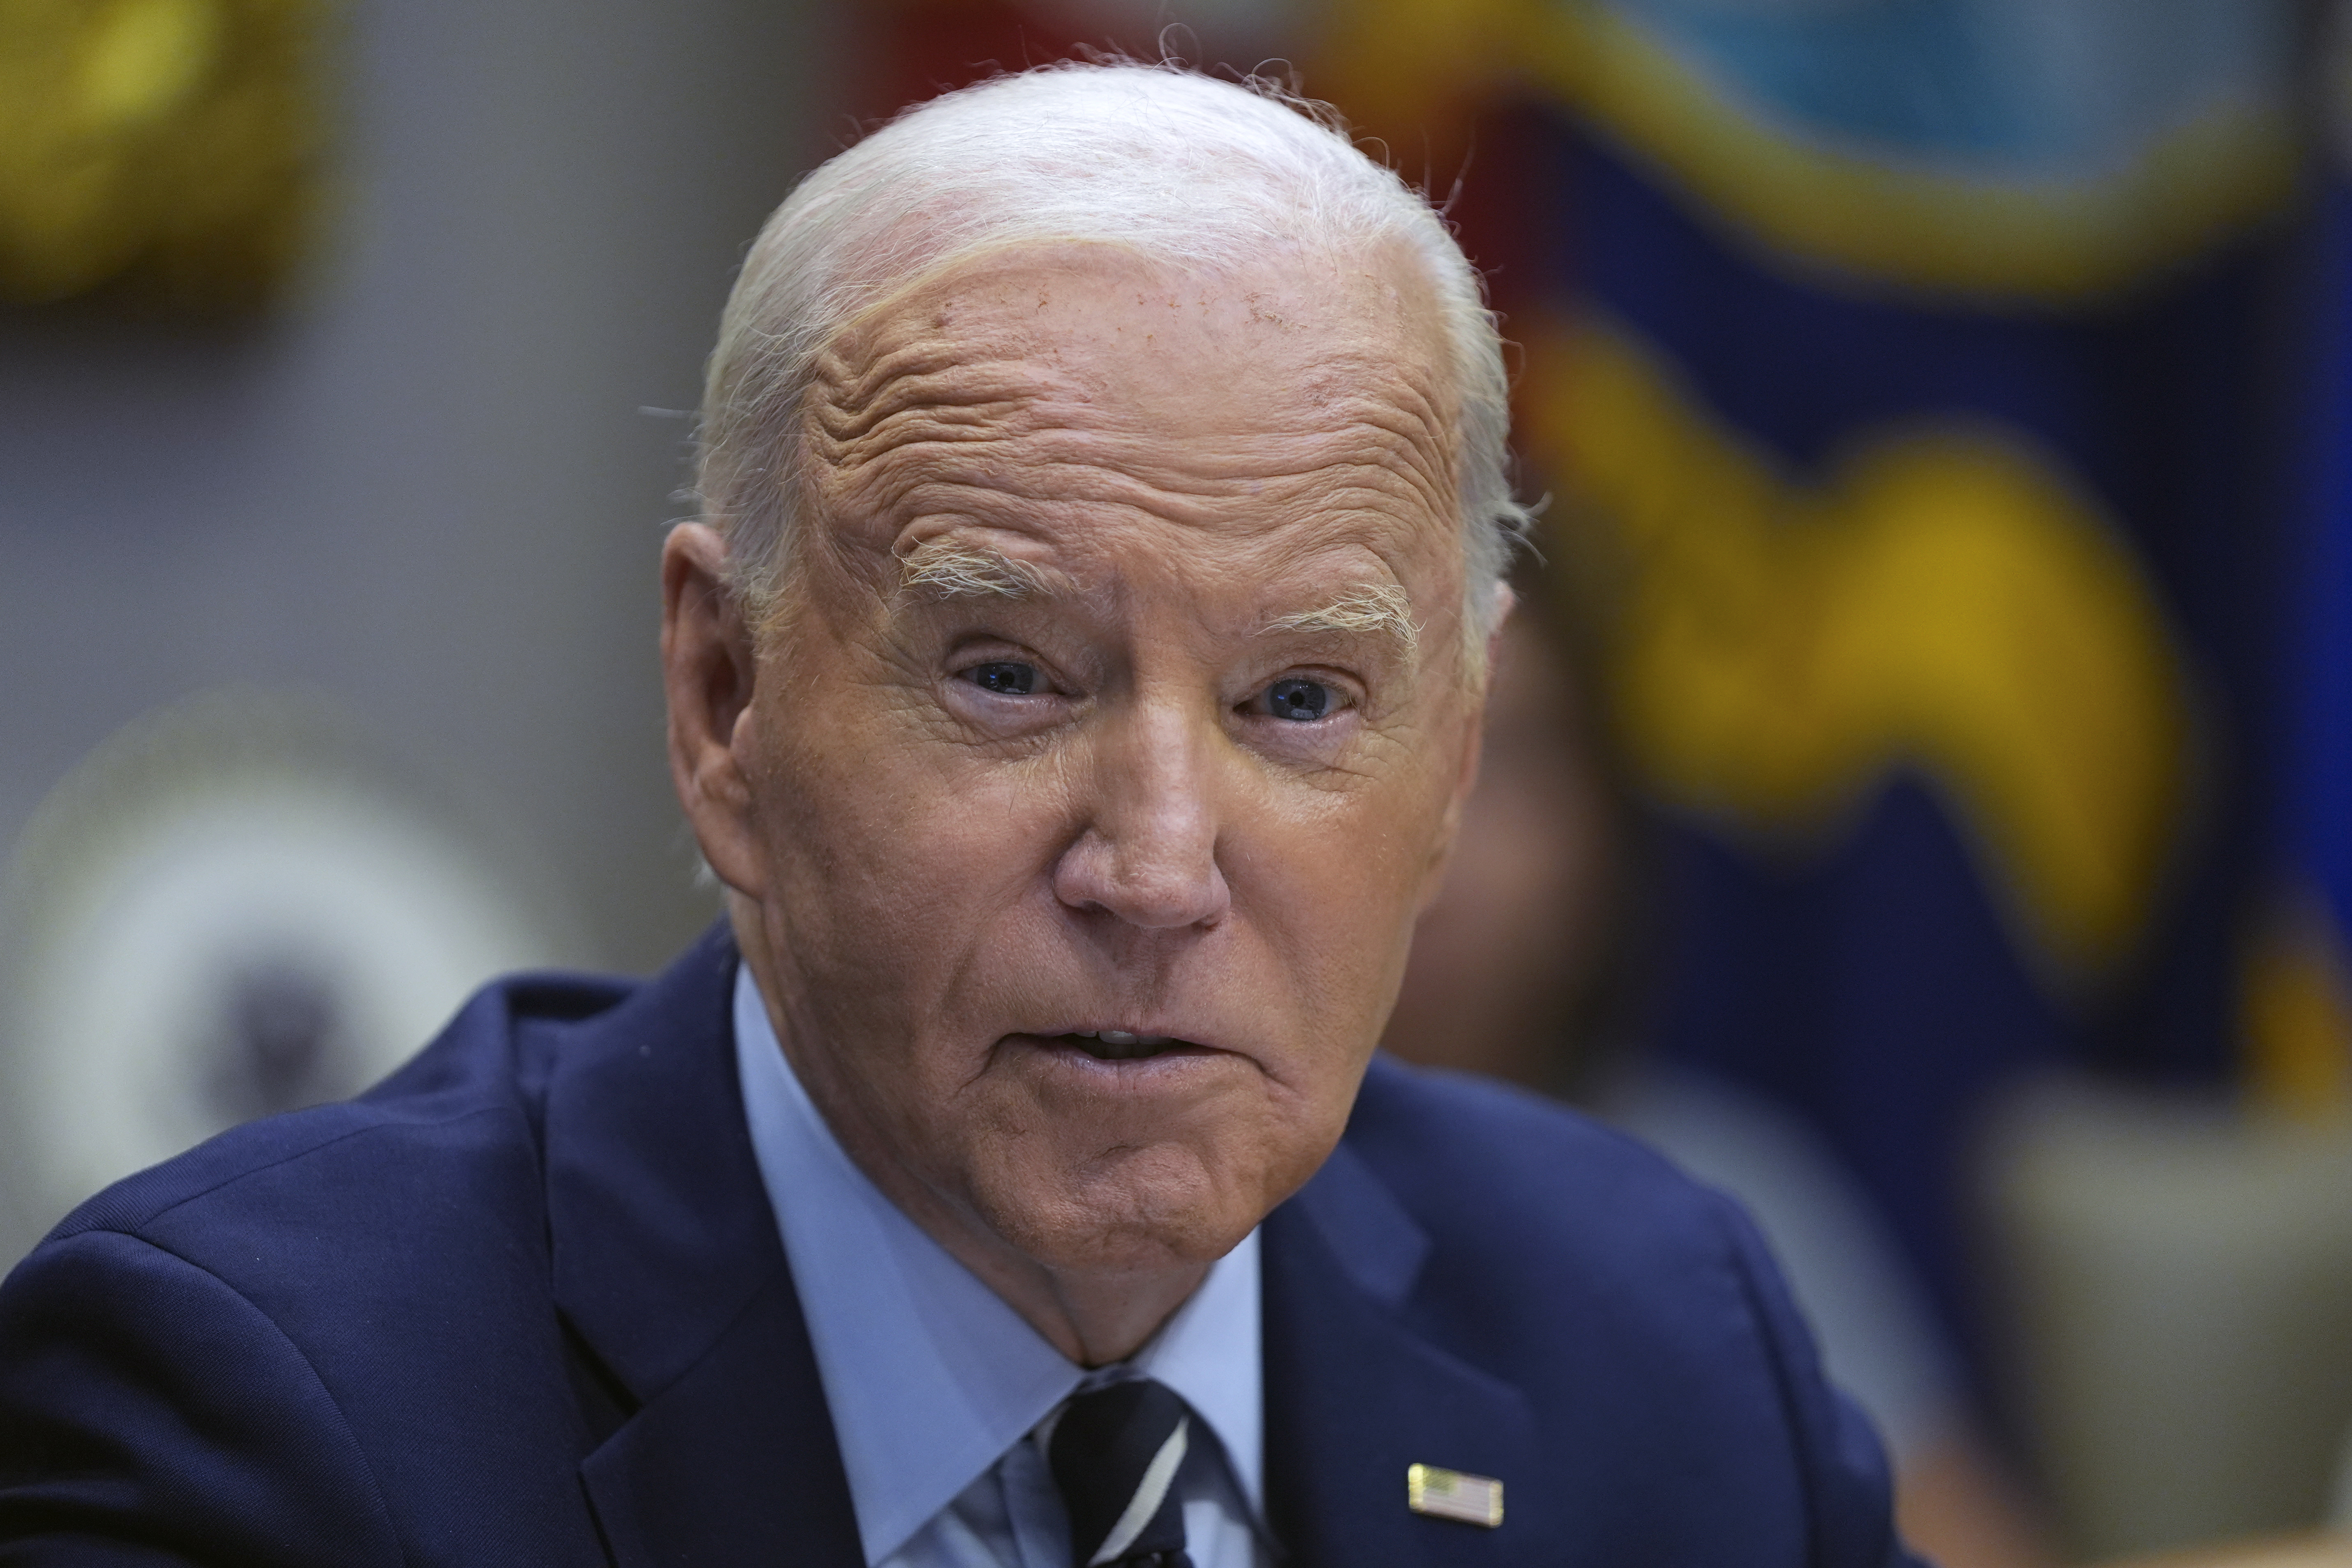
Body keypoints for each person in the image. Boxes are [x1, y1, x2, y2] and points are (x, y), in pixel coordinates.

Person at [0, 65, 1923, 1567]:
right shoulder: (265, 1409)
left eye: (1300, 699)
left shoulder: (1661, 1348)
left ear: (1459, 756)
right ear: (722, 699)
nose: (1158, 868)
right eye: (1008, 673)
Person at [1380, 609, 2057, 1568]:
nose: (1444, 833)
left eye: (1507, 759)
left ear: (1603, 835)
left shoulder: (1714, 1201)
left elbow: (1966, 1542)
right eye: (1365, 737)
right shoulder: (1182, 1209)